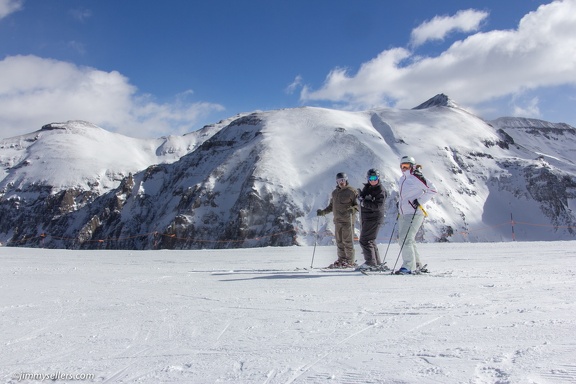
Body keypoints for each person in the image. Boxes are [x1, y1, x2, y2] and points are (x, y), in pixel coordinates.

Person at [396, 156, 437, 274]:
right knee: (408, 239)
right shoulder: (402, 179)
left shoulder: (416, 177)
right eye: (402, 166)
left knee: (405, 239)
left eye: (406, 166)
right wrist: (399, 205)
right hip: (404, 213)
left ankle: (408, 266)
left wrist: (419, 201)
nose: (404, 169)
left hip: (414, 213)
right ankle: (417, 264)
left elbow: (433, 190)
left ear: (412, 166)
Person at [317, 172, 359, 268]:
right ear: (336, 181)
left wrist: (353, 209)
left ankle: (350, 261)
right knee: (339, 241)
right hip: (338, 221)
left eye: (343, 180)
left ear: (346, 180)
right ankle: (342, 260)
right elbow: (332, 206)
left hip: (348, 221)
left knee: (348, 241)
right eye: (339, 180)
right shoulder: (335, 193)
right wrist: (323, 212)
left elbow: (358, 204)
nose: (341, 182)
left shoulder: (352, 191)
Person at [357, 169, 387, 271]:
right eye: (371, 178)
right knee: (370, 240)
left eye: (375, 178)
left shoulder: (380, 190)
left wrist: (364, 203)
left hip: (374, 217)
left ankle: (370, 262)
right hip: (367, 217)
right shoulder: (367, 188)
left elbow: (378, 205)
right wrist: (361, 197)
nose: (373, 180)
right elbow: (364, 199)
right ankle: (376, 262)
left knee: (365, 240)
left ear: (378, 178)